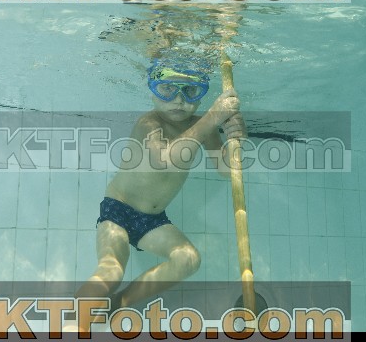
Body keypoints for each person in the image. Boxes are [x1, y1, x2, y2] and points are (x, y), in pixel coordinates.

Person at [74, 61, 246, 322]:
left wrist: (237, 138)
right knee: (111, 272)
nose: (178, 100)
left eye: (190, 91)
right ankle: (72, 323)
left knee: (188, 259)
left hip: (153, 220)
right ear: (153, 92)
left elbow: (225, 169)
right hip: (118, 210)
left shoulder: (203, 125)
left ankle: (119, 303)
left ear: (201, 95)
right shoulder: (149, 122)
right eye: (167, 89)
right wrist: (213, 117)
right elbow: (164, 159)